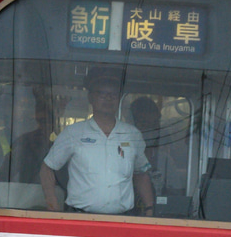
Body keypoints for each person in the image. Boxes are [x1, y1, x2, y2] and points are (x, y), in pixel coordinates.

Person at [40, 66, 156, 216]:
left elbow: (141, 174)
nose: (108, 98)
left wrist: (149, 209)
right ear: (91, 98)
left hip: (123, 220)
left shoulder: (132, 135)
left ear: (119, 98)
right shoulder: (73, 133)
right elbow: (47, 167)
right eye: (102, 93)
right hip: (80, 218)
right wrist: (52, 202)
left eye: (113, 94)